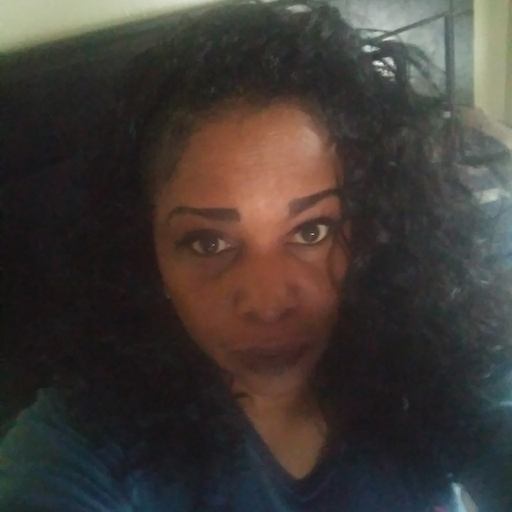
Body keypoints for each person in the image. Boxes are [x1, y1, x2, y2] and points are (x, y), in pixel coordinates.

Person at [1, 1, 511, 510]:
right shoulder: (84, 440)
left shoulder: (439, 357)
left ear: (375, 223)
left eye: (311, 230)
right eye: (208, 243)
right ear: (145, 249)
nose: (268, 305)